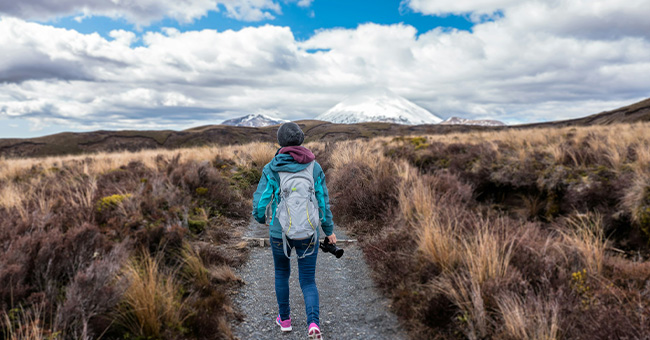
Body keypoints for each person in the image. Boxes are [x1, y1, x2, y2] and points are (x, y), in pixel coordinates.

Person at [252, 122, 336, 340]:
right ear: (301, 140)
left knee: (282, 273)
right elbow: (323, 201)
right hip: (308, 232)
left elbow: (261, 202)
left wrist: (261, 218)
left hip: (280, 232)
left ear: (281, 142)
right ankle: (313, 324)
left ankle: (285, 320)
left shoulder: (272, 167)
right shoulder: (314, 167)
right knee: (308, 280)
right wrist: (328, 230)